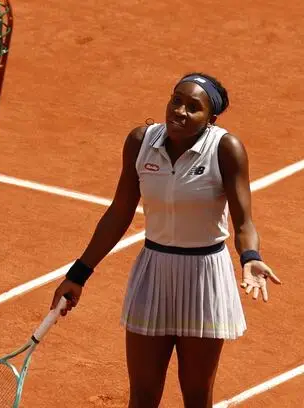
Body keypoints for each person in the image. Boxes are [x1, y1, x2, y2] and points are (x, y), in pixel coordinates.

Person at [50, 72, 281, 407]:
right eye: (176, 100)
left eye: (193, 107)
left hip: (204, 278)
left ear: (211, 119)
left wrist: (250, 256)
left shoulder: (226, 149)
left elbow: (243, 220)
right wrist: (78, 274)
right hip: (153, 273)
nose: (180, 111)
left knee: (196, 395)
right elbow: (119, 213)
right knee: (142, 396)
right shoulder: (140, 142)